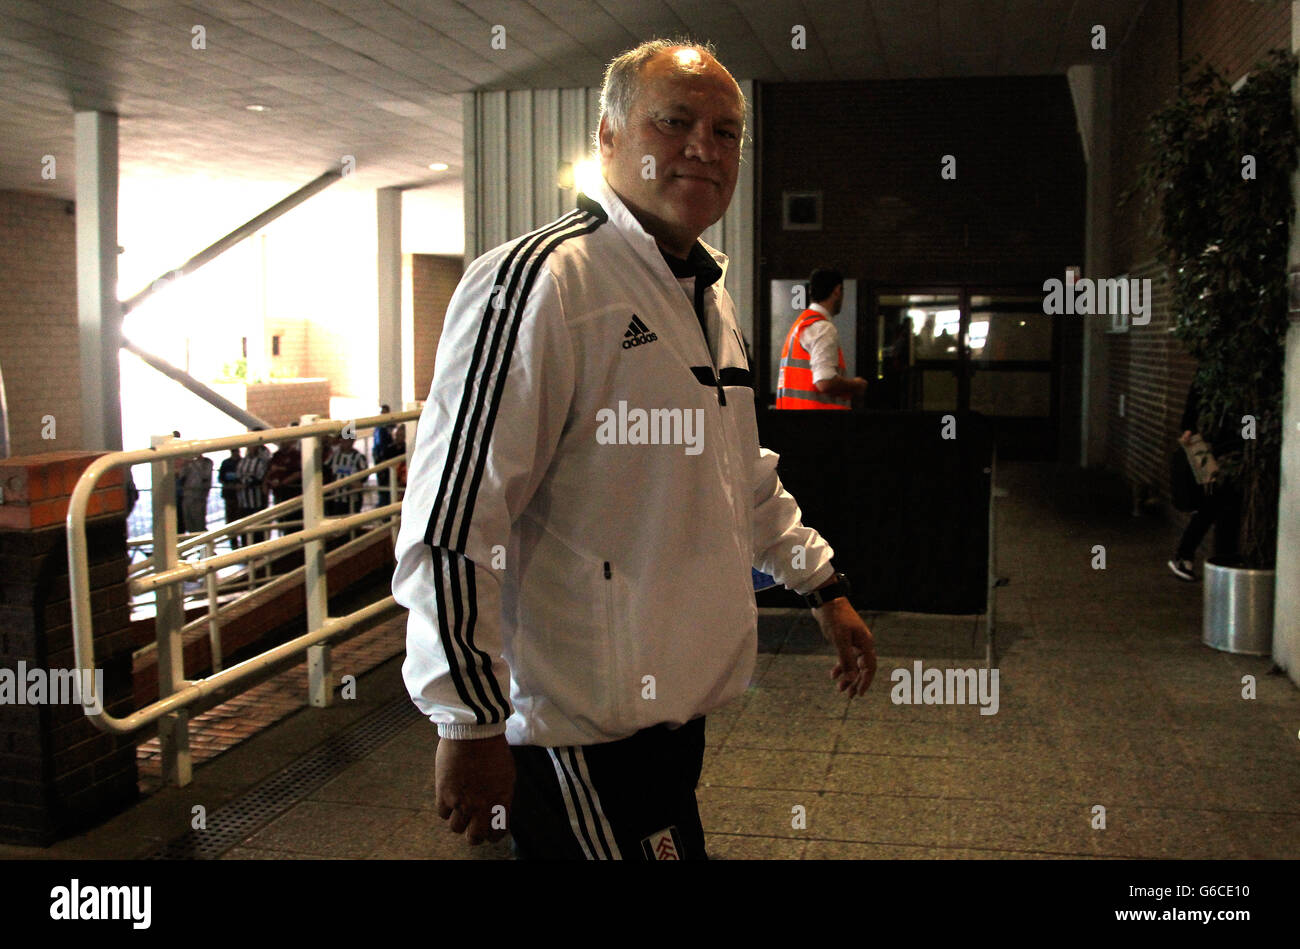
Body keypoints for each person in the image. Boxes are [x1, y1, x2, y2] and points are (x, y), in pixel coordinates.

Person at [392, 38, 876, 861]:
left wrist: (821, 583)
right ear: (609, 137)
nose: (703, 148)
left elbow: (741, 474)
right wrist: (466, 715)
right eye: (675, 121)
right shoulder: (544, 282)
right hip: (573, 731)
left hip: (670, 720)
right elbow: (454, 509)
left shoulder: (705, 296)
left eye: (726, 133)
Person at [1169, 378, 1243, 580]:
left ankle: (1190, 557)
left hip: (1224, 447)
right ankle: (1191, 556)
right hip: (1226, 449)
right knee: (1218, 503)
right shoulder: (1232, 374)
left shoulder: (1217, 373)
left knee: (1218, 504)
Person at [775, 268, 868, 409]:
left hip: (794, 421)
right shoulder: (823, 328)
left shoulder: (801, 324)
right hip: (819, 423)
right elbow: (824, 381)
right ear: (837, 290)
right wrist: (856, 384)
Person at [235, 444, 271, 547]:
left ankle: (259, 549)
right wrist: (239, 484)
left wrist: (244, 484)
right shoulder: (243, 461)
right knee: (244, 526)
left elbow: (259, 478)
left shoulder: (260, 461)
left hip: (256, 499)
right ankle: (245, 548)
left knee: (257, 528)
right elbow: (238, 476)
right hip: (243, 500)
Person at [179, 452, 214, 537]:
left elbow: (205, 476)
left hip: (199, 497)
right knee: (189, 524)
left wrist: (194, 464)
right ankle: (195, 548)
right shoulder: (188, 464)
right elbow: (181, 477)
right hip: (187, 495)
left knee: (199, 524)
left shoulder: (207, 462)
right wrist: (185, 465)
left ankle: (203, 549)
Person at [218, 449, 244, 547]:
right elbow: (221, 478)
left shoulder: (242, 462)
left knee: (239, 518)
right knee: (231, 518)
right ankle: (234, 542)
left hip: (239, 495)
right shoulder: (226, 463)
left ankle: (240, 540)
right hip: (230, 494)